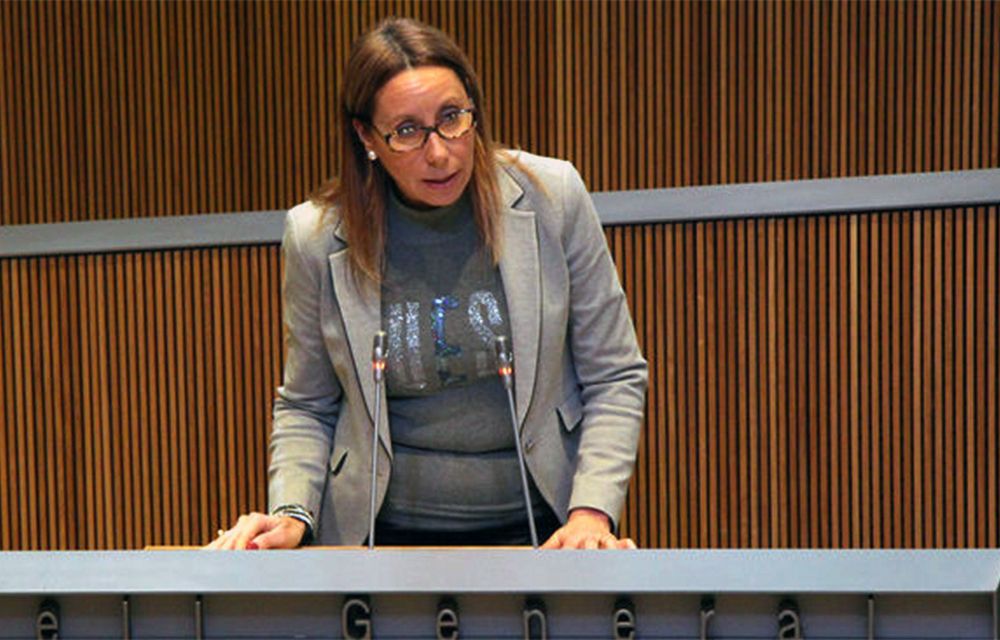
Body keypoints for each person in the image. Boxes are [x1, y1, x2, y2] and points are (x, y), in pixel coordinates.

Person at [208, 17, 647, 550]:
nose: (439, 152)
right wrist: (293, 511)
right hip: (380, 536)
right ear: (367, 137)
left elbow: (614, 374)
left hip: (545, 526)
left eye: (451, 118)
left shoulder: (553, 196)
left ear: (474, 111)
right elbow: (307, 405)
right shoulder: (316, 237)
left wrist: (591, 515)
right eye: (407, 131)